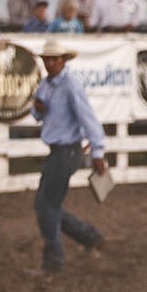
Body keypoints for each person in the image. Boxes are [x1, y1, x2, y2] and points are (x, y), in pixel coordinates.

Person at [30, 39, 107, 274]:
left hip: (67, 150)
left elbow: (87, 117)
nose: (50, 63)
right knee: (48, 205)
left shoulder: (71, 84)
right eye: (47, 59)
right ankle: (89, 237)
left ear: (63, 60)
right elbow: (38, 113)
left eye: (54, 59)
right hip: (61, 150)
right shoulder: (46, 84)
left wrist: (98, 150)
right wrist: (38, 109)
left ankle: (54, 262)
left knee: (46, 206)